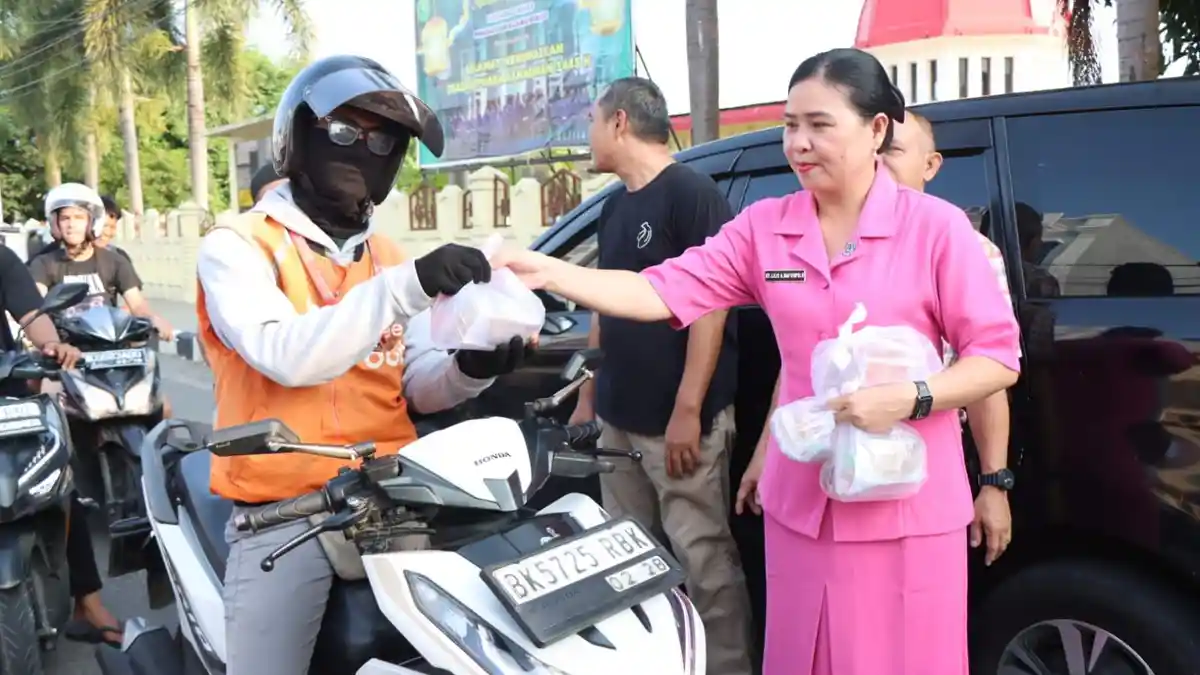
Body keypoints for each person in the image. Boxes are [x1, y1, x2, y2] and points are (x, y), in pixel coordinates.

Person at [493, 48, 1020, 675]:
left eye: (820, 125)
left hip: (905, 507)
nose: (798, 143)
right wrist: (547, 269)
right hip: (803, 502)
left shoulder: (936, 230)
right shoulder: (765, 228)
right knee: (806, 655)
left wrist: (912, 398)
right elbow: (660, 290)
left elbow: (996, 359)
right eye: (791, 124)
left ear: (876, 130)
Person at [197, 55, 529, 675]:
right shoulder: (238, 246)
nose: (362, 151)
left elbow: (415, 384)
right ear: (296, 139)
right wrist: (408, 287)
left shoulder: (388, 256)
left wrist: (474, 367)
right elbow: (285, 354)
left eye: (382, 141)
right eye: (343, 133)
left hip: (390, 500)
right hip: (283, 516)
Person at [742, 109, 1016, 567]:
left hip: (923, 460)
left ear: (930, 165)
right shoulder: (822, 240)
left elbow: (989, 372)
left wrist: (994, 481)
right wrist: (767, 454)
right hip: (827, 462)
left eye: (892, 149)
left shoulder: (963, 245)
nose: (877, 158)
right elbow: (803, 367)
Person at [568, 76, 753, 675]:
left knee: (703, 561)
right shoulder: (616, 206)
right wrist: (587, 395)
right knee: (625, 561)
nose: (589, 135)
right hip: (618, 419)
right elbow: (607, 302)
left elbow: (712, 305)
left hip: (677, 425)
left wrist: (688, 410)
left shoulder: (691, 195)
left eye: (593, 120)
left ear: (620, 122)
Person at [0, 245, 125, 647]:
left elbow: (33, 316)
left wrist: (53, 346)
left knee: (55, 474)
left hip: (7, 392)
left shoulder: (1, 259)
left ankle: (86, 600)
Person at [29, 184, 174, 340]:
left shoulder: (115, 261)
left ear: (93, 222)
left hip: (108, 345)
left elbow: (137, 303)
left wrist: (153, 319)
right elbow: (34, 304)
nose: (71, 224)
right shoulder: (43, 264)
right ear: (56, 224)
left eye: (79, 217)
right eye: (65, 218)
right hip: (64, 350)